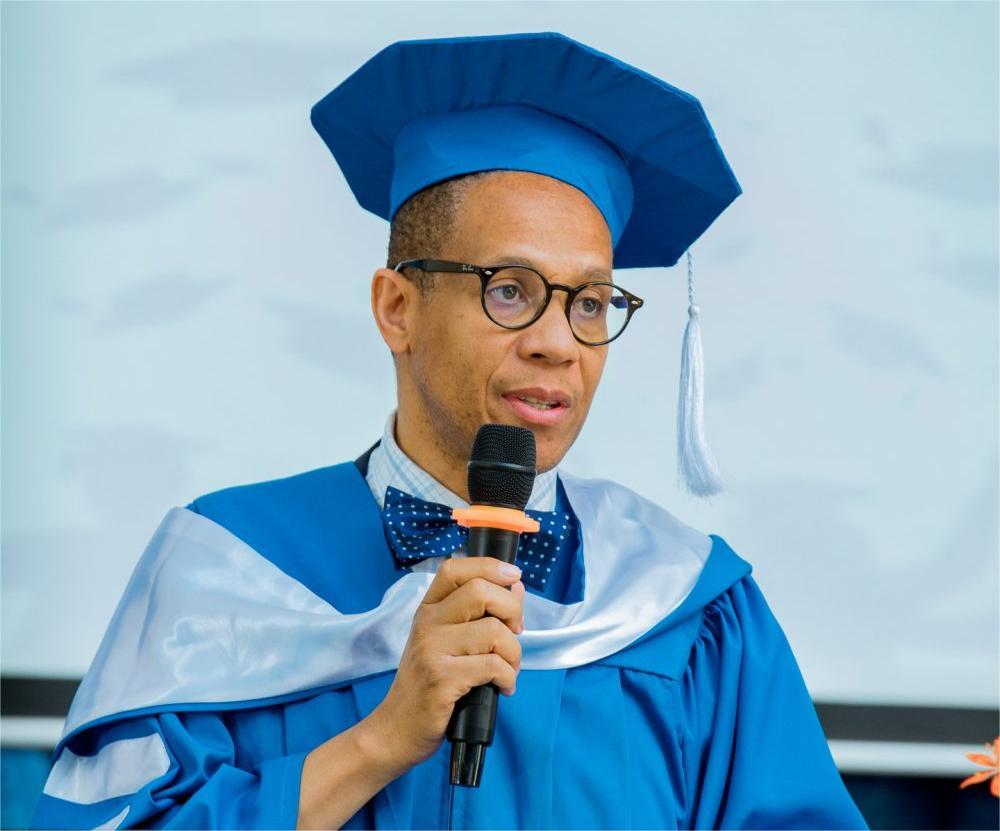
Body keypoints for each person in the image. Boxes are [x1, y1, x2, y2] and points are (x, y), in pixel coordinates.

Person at [31, 32, 868, 830]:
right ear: (397, 308)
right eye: (509, 290)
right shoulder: (225, 574)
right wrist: (380, 741)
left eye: (589, 303)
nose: (557, 342)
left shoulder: (684, 607)